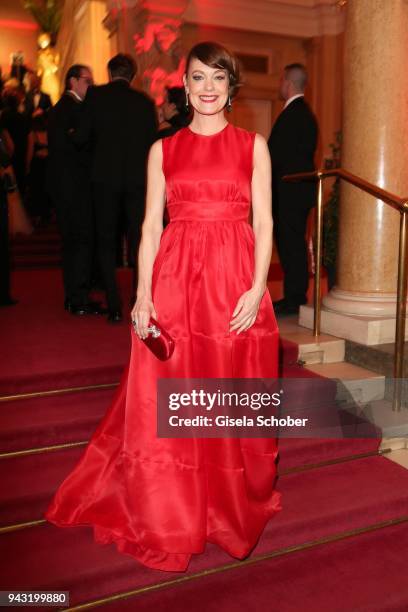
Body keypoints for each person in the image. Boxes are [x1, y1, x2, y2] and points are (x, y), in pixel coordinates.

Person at [45, 41, 281, 572]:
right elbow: (150, 226)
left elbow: (264, 222)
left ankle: (226, 501)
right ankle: (173, 503)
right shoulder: (163, 150)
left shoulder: (253, 145)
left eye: (218, 78)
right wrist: (144, 294)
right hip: (176, 279)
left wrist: (255, 285)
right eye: (198, 78)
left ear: (230, 86)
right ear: (186, 86)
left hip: (233, 279)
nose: (208, 88)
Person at [73, 53, 157, 323]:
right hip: (137, 181)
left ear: (110, 73)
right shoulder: (144, 103)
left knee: (106, 241)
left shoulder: (96, 96)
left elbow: (82, 137)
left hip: (105, 179)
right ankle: (138, 297)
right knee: (138, 240)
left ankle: (114, 305)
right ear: (132, 75)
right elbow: (153, 144)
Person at [47, 64, 101, 315]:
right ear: (73, 82)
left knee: (72, 243)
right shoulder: (74, 110)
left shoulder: (61, 109)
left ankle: (73, 297)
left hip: (64, 188)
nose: (91, 85)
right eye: (87, 80)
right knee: (81, 241)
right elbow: (81, 148)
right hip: (76, 188)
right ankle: (79, 299)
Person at [268, 63, 318, 316]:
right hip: (294, 193)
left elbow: (278, 156)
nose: (279, 85)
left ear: (287, 82)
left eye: (280, 80)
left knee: (292, 246)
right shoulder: (303, 113)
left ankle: (295, 298)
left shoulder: (295, 114)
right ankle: (293, 295)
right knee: (291, 245)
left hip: (290, 193)